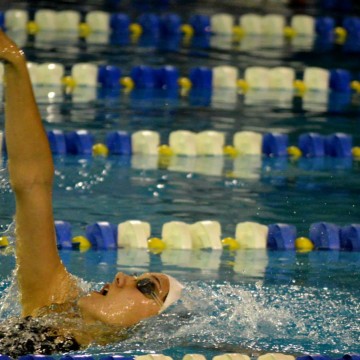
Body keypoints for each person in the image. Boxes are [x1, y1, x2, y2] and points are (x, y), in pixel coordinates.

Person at [0, 29, 183, 357]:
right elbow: (32, 185)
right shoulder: (51, 304)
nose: (122, 275)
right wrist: (14, 62)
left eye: (145, 287)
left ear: (154, 323)